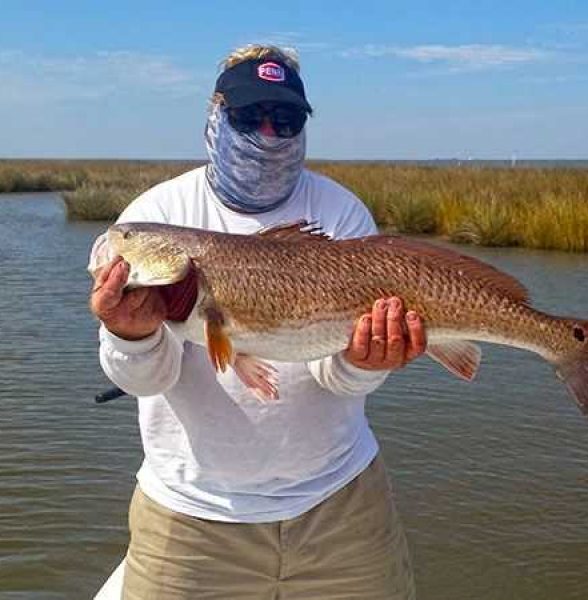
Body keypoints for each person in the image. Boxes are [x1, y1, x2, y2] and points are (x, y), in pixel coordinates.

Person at [90, 44, 426, 600]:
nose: (268, 134)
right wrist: (132, 334)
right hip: (190, 515)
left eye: (286, 119)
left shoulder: (340, 215)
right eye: (249, 117)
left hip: (339, 505)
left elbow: (332, 376)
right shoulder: (159, 215)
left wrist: (364, 364)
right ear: (215, 115)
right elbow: (146, 380)